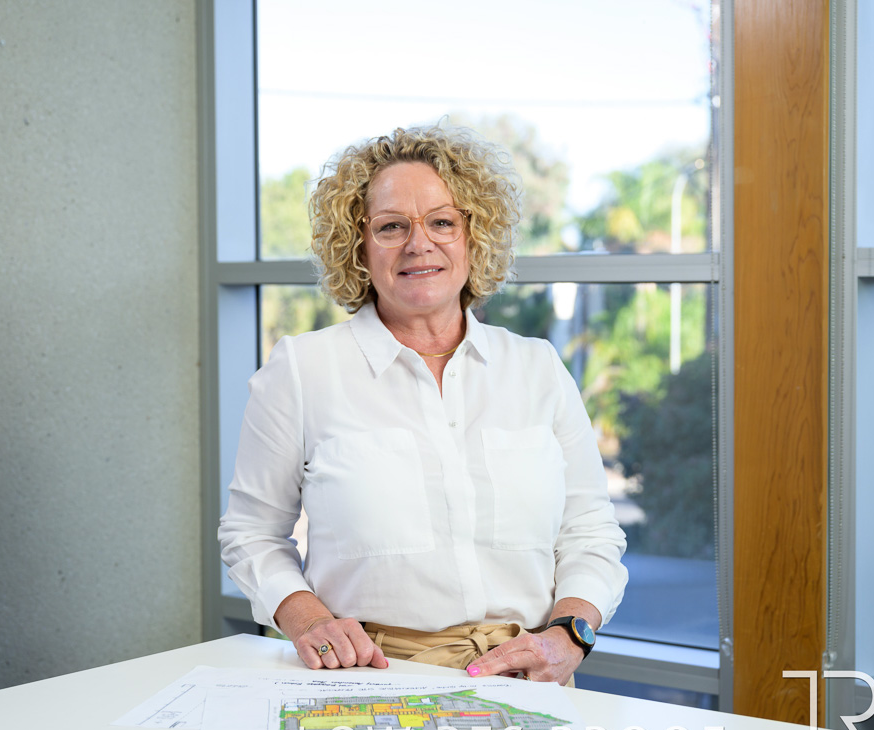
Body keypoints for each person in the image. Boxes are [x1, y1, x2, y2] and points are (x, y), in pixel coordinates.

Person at [218, 124, 627, 685]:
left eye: (442, 222)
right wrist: (309, 620)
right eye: (391, 226)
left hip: (532, 681)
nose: (419, 244)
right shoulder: (301, 370)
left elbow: (590, 532)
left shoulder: (537, 368)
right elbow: (251, 534)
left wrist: (570, 635)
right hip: (368, 679)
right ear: (358, 247)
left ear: (474, 236)